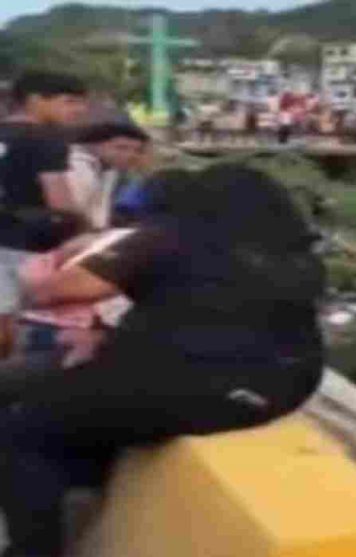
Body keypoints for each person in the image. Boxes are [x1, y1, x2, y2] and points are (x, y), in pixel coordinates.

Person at [0, 164, 327, 557]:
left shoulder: (171, 236)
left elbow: (59, 291)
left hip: (181, 390)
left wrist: (44, 273)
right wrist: (108, 338)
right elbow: (220, 315)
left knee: (23, 430)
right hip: (277, 393)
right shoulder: (297, 258)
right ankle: (77, 484)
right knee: (72, 406)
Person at [0, 70, 89, 357]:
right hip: (28, 244)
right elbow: (59, 200)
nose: (78, 110)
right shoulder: (46, 139)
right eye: (69, 101)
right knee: (19, 324)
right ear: (35, 100)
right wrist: (87, 232)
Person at [66, 123, 150, 230]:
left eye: (137, 151)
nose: (130, 155)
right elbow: (75, 210)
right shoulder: (77, 166)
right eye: (121, 148)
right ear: (94, 146)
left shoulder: (109, 169)